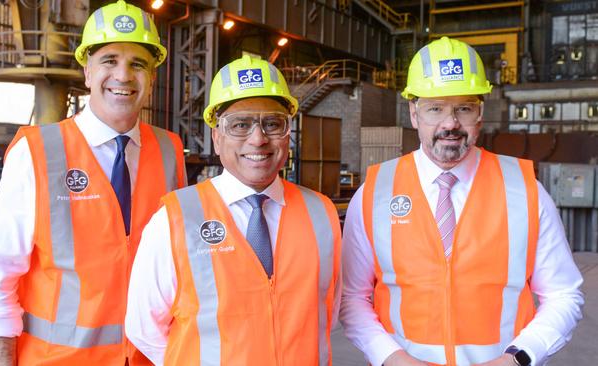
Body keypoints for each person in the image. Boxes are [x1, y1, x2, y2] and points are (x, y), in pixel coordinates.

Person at [0, 1, 187, 364]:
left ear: (153, 76)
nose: (124, 75)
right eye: (110, 60)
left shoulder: (169, 149)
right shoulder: (37, 153)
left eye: (138, 64)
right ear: (87, 71)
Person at [340, 37, 584, 366]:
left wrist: (517, 358)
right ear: (414, 113)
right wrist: (393, 359)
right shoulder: (374, 194)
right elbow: (352, 297)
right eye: (435, 108)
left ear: (480, 113)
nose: (450, 123)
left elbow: (563, 294)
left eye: (463, 108)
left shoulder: (525, 191)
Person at [125, 55, 342, 365]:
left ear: (288, 133)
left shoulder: (321, 213)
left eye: (272, 123)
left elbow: (327, 313)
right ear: (217, 136)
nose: (258, 139)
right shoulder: (175, 220)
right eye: (240, 124)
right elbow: (143, 326)